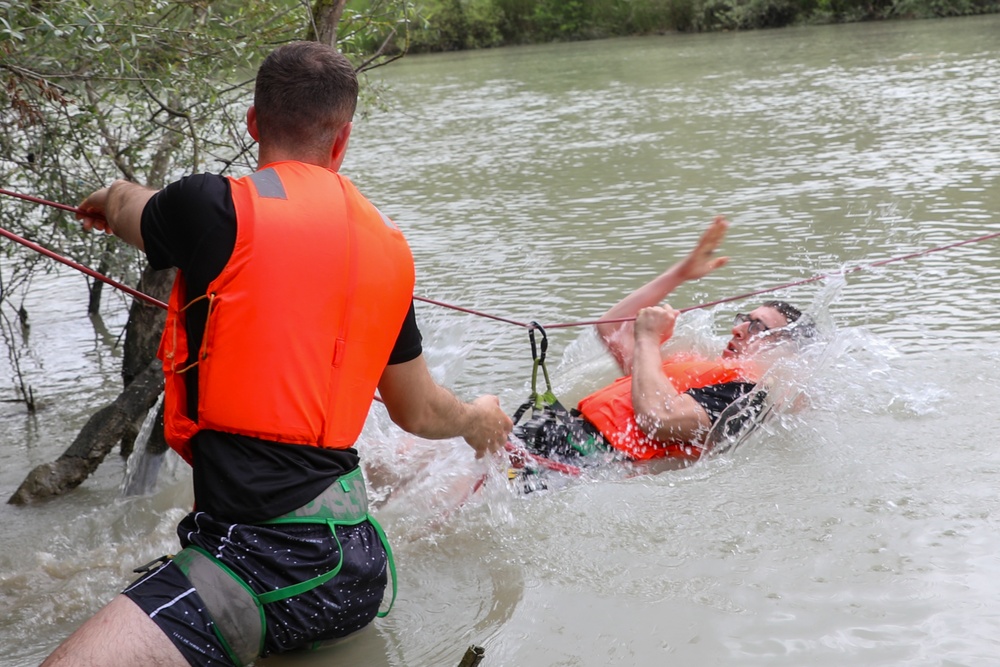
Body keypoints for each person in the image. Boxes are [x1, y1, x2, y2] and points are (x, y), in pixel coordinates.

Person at [49, 41, 512, 667]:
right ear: (342, 138)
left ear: (253, 122)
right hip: (352, 567)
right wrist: (481, 417)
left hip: (267, 561)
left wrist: (107, 194)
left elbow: (132, 209)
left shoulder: (210, 208)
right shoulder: (390, 250)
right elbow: (421, 412)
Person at [512, 216, 814, 468]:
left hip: (577, 461)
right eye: (742, 320)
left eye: (757, 327)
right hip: (546, 438)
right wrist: (680, 274)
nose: (738, 330)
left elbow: (658, 418)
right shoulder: (693, 371)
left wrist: (648, 339)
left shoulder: (747, 396)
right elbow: (611, 327)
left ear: (784, 350)